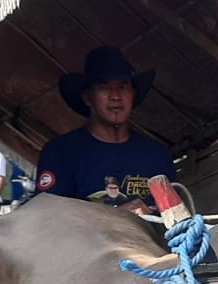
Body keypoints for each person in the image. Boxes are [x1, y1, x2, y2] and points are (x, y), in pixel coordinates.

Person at [36, 46, 176, 213]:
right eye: (104, 86)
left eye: (123, 86)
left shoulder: (156, 154)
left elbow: (174, 218)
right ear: (88, 97)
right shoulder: (61, 153)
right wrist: (117, 217)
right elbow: (46, 217)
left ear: (133, 94)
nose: (115, 96)